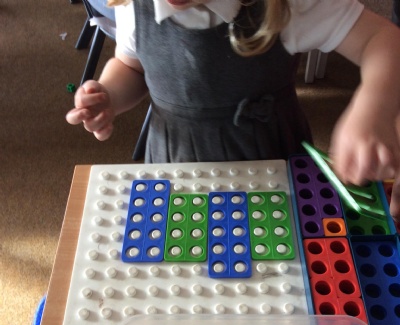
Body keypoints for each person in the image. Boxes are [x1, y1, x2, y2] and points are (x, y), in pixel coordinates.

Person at [66, 0, 400, 221]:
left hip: (271, 162)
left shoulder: (288, 6)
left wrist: (374, 108)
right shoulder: (134, 5)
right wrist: (109, 94)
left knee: (279, 265)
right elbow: (132, 66)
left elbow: (383, 40)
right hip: (175, 162)